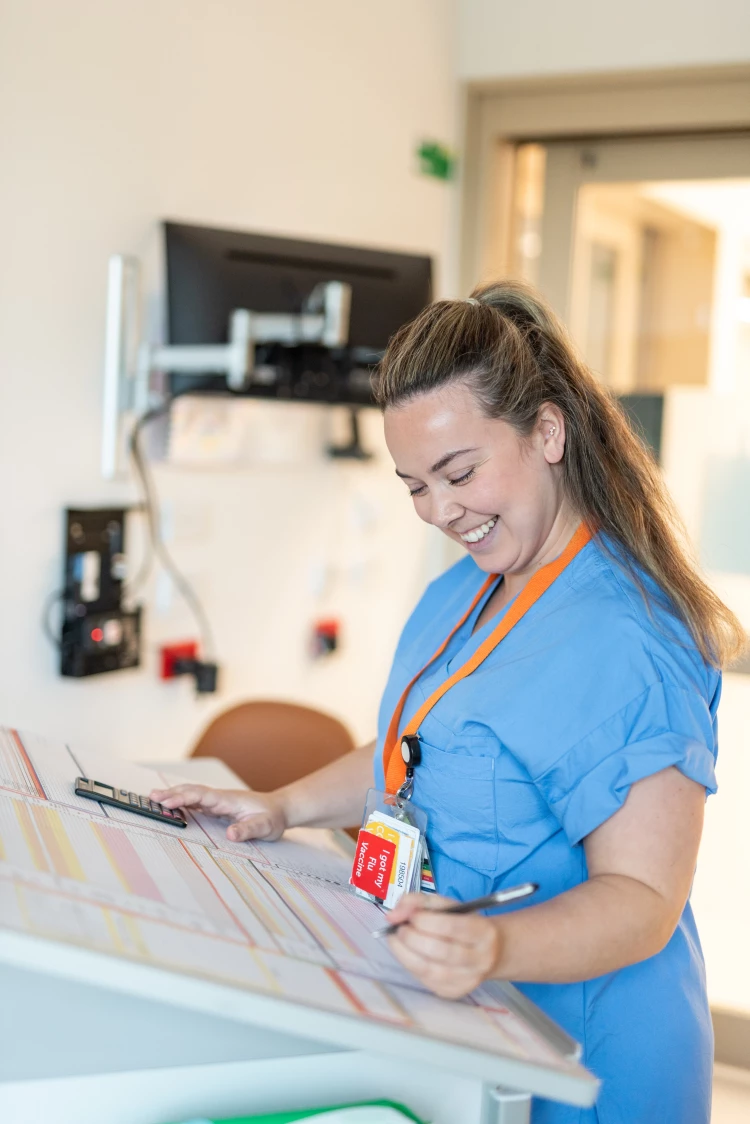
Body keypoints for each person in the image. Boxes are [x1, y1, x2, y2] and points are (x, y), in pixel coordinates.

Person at [152, 282, 745, 1124]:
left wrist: (496, 944)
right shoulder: (468, 587)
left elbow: (645, 899)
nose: (440, 511)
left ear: (548, 431)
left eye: (459, 472)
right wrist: (281, 804)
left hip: (591, 1063)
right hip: (476, 1024)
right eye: (414, 485)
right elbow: (420, 746)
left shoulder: (629, 639)